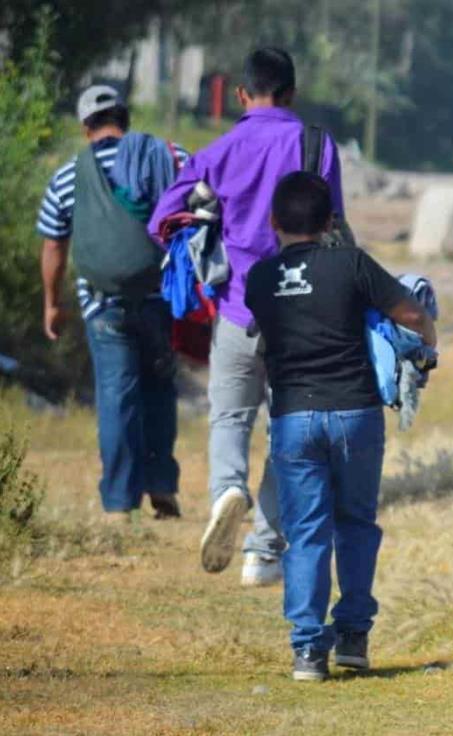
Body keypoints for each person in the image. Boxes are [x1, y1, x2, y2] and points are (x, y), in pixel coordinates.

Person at [150, 48, 345, 587]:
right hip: (303, 319)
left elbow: (162, 220)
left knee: (230, 418)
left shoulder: (219, 149)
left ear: (241, 94)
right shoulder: (316, 145)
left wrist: (208, 215)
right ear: (293, 92)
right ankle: (262, 551)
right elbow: (336, 225)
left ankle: (226, 492)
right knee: (289, 432)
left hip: (238, 310)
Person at [245, 171, 436, 682]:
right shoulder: (351, 264)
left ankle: (309, 651)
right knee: (355, 524)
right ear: (331, 221)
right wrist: (428, 349)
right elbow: (412, 315)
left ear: (273, 221)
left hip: (294, 418)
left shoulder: (259, 278)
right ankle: (352, 637)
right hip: (355, 414)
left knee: (306, 533)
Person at [37, 85, 186, 522]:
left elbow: (54, 245)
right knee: (159, 390)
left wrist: (51, 303)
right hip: (159, 298)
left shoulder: (68, 175)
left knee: (118, 397)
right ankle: (161, 487)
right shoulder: (165, 156)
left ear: (86, 128)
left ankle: (120, 502)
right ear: (125, 118)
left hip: (103, 304)